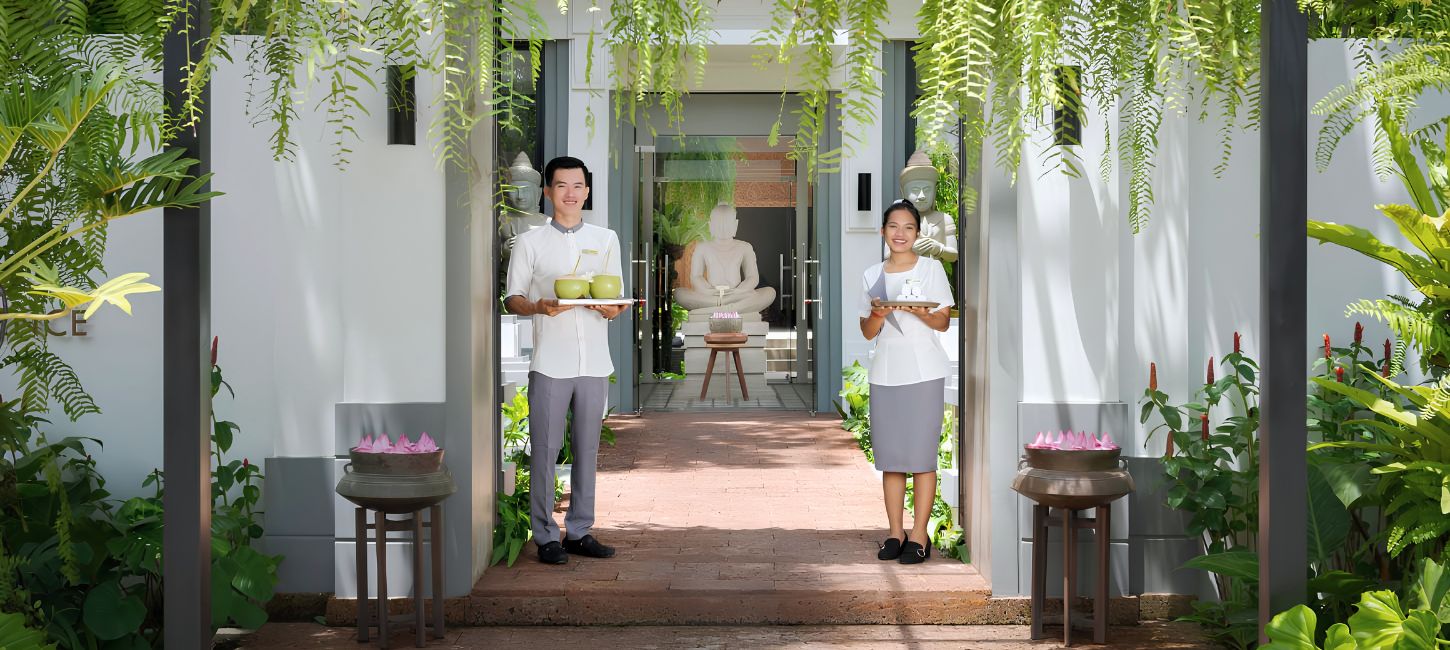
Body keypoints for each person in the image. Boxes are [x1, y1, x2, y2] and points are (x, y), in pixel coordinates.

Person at [504, 156, 627, 565]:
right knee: (545, 448)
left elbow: (613, 298)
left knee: (587, 448)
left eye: (577, 186)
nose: (570, 193)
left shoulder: (606, 238)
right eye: (561, 186)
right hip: (550, 362)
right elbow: (513, 298)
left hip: (594, 360)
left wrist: (613, 310)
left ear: (587, 192)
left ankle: (580, 531)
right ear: (548, 192)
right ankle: (545, 537)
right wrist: (539, 306)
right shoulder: (531, 242)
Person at [859, 199, 954, 564]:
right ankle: (895, 532)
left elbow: (943, 321)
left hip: (924, 372)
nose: (900, 234)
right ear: (883, 231)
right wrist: (878, 315)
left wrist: (924, 315)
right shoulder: (871, 276)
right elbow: (867, 331)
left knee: (921, 456)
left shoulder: (931, 270)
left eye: (908, 228)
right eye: (894, 227)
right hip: (885, 373)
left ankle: (919, 534)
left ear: (917, 233)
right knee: (892, 457)